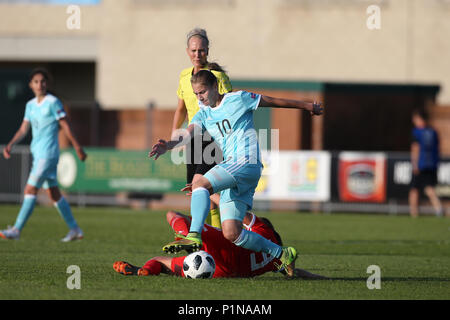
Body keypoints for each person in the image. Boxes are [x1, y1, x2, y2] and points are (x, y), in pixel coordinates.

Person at [149, 70, 324, 277]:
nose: (200, 97)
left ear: (215, 87)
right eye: (196, 94)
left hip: (245, 161)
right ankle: (282, 253)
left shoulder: (238, 99)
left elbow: (272, 100)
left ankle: (194, 234)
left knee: (199, 184)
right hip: (238, 171)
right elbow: (187, 135)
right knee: (232, 232)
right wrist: (169, 145)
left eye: (202, 92)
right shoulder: (203, 113)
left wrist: (306, 106)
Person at [0, 68, 87, 241]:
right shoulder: (30, 105)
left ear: (47, 84)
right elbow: (24, 128)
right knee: (54, 194)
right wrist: (11, 144)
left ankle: (16, 230)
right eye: (36, 82)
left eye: (43, 81)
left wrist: (77, 147)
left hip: (48, 155)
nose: (40, 85)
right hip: (37, 153)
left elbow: (66, 125)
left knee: (30, 188)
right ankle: (75, 229)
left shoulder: (53, 102)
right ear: (31, 85)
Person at [113, 210, 327, 279]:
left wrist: (207, 188)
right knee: (164, 261)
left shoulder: (263, 230)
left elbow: (235, 211)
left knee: (173, 214)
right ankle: (144, 270)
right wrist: (324, 278)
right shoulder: (275, 261)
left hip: (226, 249)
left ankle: (184, 236)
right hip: (223, 271)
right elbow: (297, 273)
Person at [173, 28, 232, 229]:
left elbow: (229, 108)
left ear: (208, 50)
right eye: (193, 50)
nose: (197, 55)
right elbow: (181, 109)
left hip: (214, 138)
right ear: (187, 51)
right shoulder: (183, 77)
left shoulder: (217, 76)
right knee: (195, 191)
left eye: (201, 50)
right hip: (193, 138)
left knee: (206, 188)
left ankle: (221, 232)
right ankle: (205, 240)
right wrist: (176, 135)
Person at [408, 109, 444, 217]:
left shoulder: (416, 132)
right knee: (429, 187)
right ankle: (438, 208)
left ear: (419, 118)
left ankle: (414, 213)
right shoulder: (433, 132)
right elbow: (438, 148)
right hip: (432, 163)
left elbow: (416, 148)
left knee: (415, 189)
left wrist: (415, 164)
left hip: (421, 164)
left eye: (415, 118)